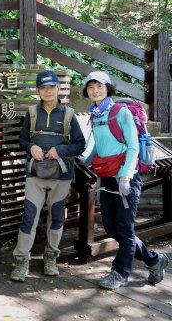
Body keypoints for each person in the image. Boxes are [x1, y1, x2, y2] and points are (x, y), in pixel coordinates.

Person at [83, 71, 169, 290]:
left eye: (99, 86)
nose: (95, 90)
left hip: (125, 178)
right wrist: (86, 158)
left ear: (108, 88)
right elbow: (99, 145)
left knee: (124, 229)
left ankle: (119, 273)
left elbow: (132, 146)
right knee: (114, 230)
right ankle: (153, 260)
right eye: (91, 87)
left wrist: (125, 176)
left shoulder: (120, 111)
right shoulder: (96, 114)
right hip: (106, 177)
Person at [10, 70, 85, 282]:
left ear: (58, 89)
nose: (48, 91)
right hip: (35, 174)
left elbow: (80, 145)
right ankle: (21, 260)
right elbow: (22, 140)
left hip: (61, 175)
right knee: (29, 217)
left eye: (51, 87)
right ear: (38, 91)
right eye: (43, 88)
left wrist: (60, 150)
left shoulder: (69, 114)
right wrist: (31, 146)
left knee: (57, 218)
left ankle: (51, 257)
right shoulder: (32, 113)